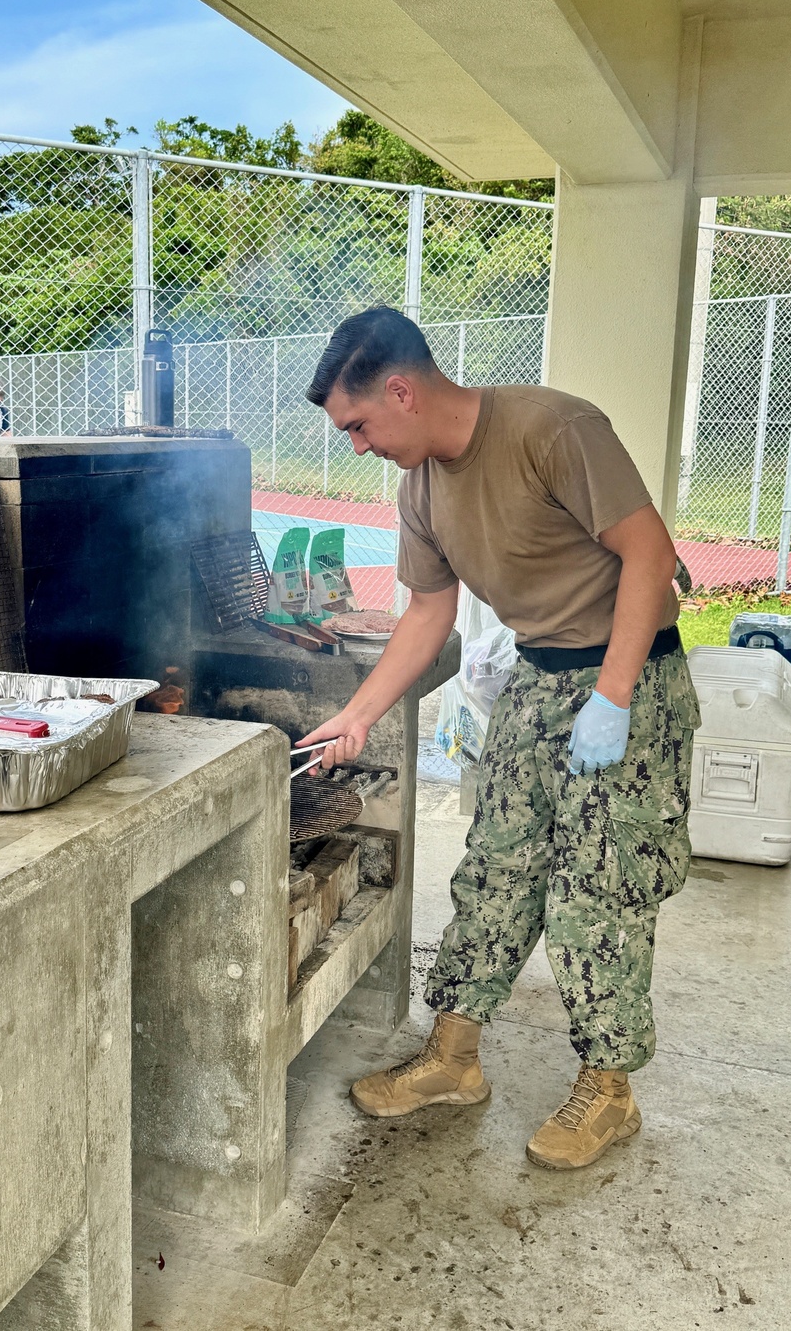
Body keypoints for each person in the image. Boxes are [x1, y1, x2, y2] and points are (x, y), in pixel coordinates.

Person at [299, 306, 699, 1171]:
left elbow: (649, 555)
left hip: (629, 676)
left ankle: (610, 1088)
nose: (358, 446)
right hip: (537, 676)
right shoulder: (420, 489)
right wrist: (360, 711)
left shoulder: (554, 429)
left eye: (360, 424)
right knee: (498, 864)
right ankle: (454, 1057)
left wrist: (615, 695)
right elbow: (428, 612)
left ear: (401, 391)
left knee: (601, 885)